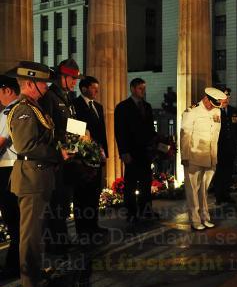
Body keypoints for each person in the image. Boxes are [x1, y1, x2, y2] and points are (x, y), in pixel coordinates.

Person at [6, 61, 68, 287]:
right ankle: (29, 285)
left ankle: (35, 272)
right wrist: (57, 154)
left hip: (39, 177)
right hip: (31, 178)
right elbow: (26, 145)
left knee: (37, 232)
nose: (46, 86)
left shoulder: (34, 107)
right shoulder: (23, 109)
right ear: (31, 84)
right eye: (42, 82)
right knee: (30, 235)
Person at [39, 58, 83, 251]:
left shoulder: (67, 97)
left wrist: (82, 136)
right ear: (62, 77)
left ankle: (62, 238)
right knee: (56, 202)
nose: (75, 82)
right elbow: (47, 128)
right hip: (57, 157)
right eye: (72, 78)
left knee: (64, 201)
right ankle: (55, 242)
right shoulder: (49, 97)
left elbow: (71, 124)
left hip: (68, 156)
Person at [181, 88, 226, 231]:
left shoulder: (216, 111)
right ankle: (195, 220)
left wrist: (214, 157)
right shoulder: (191, 111)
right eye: (211, 104)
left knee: (204, 191)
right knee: (192, 190)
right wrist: (184, 156)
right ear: (206, 98)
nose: (212, 107)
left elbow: (215, 136)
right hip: (194, 156)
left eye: (215, 105)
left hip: (210, 156)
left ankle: (205, 217)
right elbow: (185, 135)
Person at [114, 78, 158, 223]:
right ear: (132, 88)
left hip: (146, 151)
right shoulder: (122, 107)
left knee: (146, 182)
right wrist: (124, 152)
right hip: (131, 151)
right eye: (140, 88)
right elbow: (120, 132)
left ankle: (146, 209)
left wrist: (156, 146)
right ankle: (131, 212)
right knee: (131, 183)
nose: (143, 91)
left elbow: (151, 129)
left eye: (144, 88)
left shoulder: (147, 106)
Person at [72, 76, 108, 236]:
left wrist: (104, 152)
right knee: (82, 194)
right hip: (84, 157)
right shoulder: (75, 105)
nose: (97, 91)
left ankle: (94, 224)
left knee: (95, 192)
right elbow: (74, 131)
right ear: (84, 88)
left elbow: (102, 132)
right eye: (94, 88)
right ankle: (82, 228)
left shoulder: (98, 107)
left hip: (97, 155)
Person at [0, 75, 21, 280]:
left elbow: (1, 141)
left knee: (13, 220)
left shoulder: (9, 111)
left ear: (7, 90)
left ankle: (14, 267)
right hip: (14, 169)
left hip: (8, 169)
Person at [213, 87, 237, 205]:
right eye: (224, 97)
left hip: (230, 146)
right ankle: (219, 195)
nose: (227, 99)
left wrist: (236, 142)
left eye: (228, 97)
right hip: (219, 146)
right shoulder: (216, 111)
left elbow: (236, 127)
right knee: (219, 171)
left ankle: (226, 194)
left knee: (228, 171)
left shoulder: (233, 111)